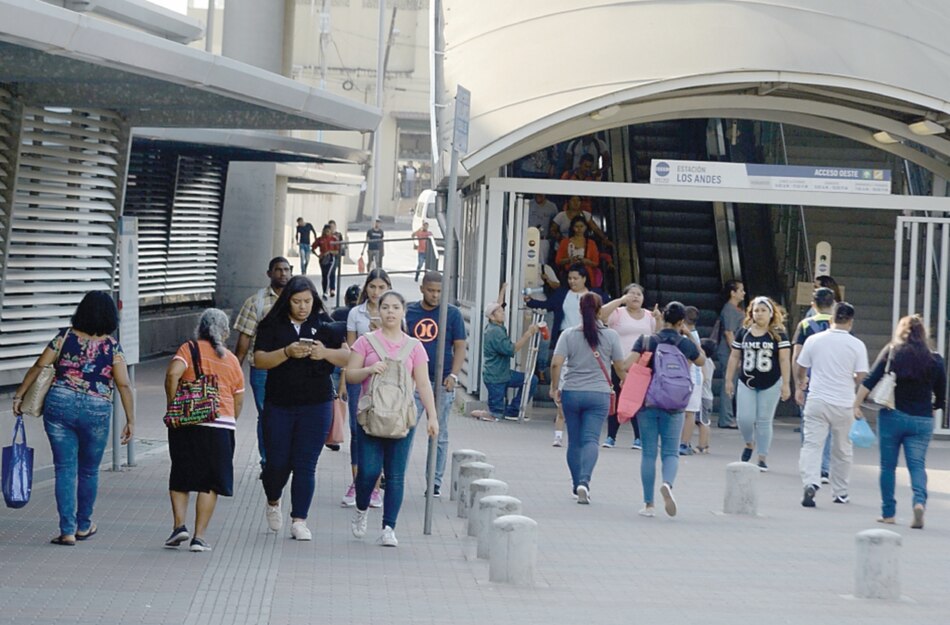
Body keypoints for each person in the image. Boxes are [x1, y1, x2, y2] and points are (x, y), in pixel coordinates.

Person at [12, 291, 134, 546]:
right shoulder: (112, 346)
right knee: (88, 471)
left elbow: (39, 366)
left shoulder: (64, 337)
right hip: (97, 408)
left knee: (64, 469)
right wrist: (130, 420)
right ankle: (84, 525)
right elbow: (123, 384)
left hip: (60, 403)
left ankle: (67, 530)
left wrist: (20, 395)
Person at [254, 276, 350, 540]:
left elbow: (347, 356)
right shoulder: (272, 325)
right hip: (279, 404)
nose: (303, 307)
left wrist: (325, 353)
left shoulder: (325, 324)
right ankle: (273, 499)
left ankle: (299, 520)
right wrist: (286, 352)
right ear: (287, 301)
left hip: (316, 404)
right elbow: (259, 360)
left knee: (306, 463)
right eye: (297, 301)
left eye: (307, 301)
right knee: (277, 463)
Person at [347, 290, 439, 547]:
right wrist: (368, 369)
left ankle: (389, 527)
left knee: (395, 475)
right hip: (371, 416)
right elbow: (350, 375)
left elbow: (423, 383)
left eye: (395, 307)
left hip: (401, 417)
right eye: (385, 307)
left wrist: (432, 417)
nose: (390, 312)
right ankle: (361, 508)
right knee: (368, 471)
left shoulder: (414, 346)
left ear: (403, 312)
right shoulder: (365, 342)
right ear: (378, 311)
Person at [163, 309, 244, 552]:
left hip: (188, 422)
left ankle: (179, 526)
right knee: (210, 483)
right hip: (222, 425)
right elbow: (238, 399)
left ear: (200, 328)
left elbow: (172, 374)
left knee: (181, 475)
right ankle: (199, 538)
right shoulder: (232, 360)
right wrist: (228, 418)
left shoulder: (189, 349)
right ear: (225, 332)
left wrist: (173, 405)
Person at [854, 315, 946, 529]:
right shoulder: (935, 359)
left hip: (892, 416)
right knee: (917, 466)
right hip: (922, 420)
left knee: (888, 466)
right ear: (924, 334)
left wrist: (856, 404)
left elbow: (870, 379)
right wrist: (933, 408)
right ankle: (919, 503)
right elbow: (941, 395)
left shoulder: (893, 352)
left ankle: (888, 513)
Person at [627, 302, 706, 518]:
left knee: (648, 453)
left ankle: (648, 504)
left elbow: (626, 364)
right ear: (681, 322)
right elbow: (701, 360)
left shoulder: (647, 341)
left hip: (648, 402)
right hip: (675, 403)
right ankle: (667, 483)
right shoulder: (684, 343)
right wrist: (688, 335)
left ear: (662, 316)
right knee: (671, 453)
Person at [549, 293, 625, 504]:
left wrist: (555, 388)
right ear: (600, 311)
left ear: (580, 311)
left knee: (574, 441)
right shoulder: (611, 336)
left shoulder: (568, 334)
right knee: (591, 440)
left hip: (572, 392)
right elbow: (620, 367)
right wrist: (626, 381)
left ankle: (576, 485)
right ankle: (585, 481)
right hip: (599, 394)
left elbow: (556, 363)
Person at [796, 302, 868, 508]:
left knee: (812, 445)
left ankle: (810, 483)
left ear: (831, 319)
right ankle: (840, 492)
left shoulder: (813, 340)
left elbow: (801, 367)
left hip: (817, 400)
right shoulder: (857, 345)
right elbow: (861, 375)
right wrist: (851, 381)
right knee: (843, 449)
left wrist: (801, 382)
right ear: (851, 321)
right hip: (844, 402)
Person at [406, 271, 467, 496]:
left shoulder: (452, 314)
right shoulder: (410, 311)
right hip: (414, 382)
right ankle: (395, 475)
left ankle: (435, 482)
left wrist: (454, 375)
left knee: (438, 434)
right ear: (422, 289)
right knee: (405, 429)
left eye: (439, 291)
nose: (435, 295)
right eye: (431, 290)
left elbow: (460, 346)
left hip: (442, 382)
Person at [526, 264, 598, 447]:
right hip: (565, 337)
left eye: (576, 278)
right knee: (564, 373)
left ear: (584, 279)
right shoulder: (562, 294)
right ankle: (562, 412)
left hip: (588, 338)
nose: (572, 281)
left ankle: (576, 411)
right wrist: (529, 302)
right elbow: (548, 305)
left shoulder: (594, 296)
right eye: (570, 278)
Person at [234, 257, 291, 472]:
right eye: (278, 270)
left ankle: (285, 458)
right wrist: (234, 370)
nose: (283, 274)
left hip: (291, 368)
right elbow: (244, 339)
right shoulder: (255, 302)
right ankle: (268, 462)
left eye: (286, 269)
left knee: (289, 413)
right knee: (267, 414)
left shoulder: (299, 299)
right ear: (269, 273)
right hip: (262, 369)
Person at [342, 269, 393, 507]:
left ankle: (374, 486)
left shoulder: (392, 312)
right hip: (359, 376)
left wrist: (380, 330)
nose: (376, 292)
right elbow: (350, 350)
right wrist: (344, 380)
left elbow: (399, 346)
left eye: (381, 287)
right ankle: (357, 482)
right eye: (372, 286)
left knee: (379, 428)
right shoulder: (356, 313)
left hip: (384, 380)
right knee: (356, 429)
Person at [724, 296, 791, 471]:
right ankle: (749, 442)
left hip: (771, 381)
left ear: (771, 313)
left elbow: (784, 359)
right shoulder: (744, 332)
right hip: (747, 380)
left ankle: (762, 457)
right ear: (751, 313)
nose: (759, 314)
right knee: (744, 418)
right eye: (756, 311)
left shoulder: (778, 334)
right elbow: (734, 356)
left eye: (763, 310)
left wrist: (786, 383)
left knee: (764, 420)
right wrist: (728, 379)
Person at [598, 283, 659, 449]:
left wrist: (659, 319)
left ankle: (639, 437)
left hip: (641, 366)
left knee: (638, 401)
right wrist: (620, 300)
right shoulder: (618, 313)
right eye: (631, 293)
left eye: (639, 294)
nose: (635, 297)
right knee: (615, 399)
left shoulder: (649, 316)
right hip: (617, 364)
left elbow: (658, 336)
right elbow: (601, 314)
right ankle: (611, 436)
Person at [793, 287, 836, 483]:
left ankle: (809, 465)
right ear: (833, 304)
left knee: (808, 426)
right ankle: (824, 468)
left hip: (810, 382)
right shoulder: (840, 325)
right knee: (828, 427)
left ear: (813, 305)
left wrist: (797, 383)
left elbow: (797, 356)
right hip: (833, 383)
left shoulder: (804, 325)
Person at [471, 301, 538, 422]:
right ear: (492, 316)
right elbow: (511, 349)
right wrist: (528, 334)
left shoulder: (495, 327)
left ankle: (512, 411)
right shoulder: (495, 332)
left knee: (531, 380)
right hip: (496, 377)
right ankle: (496, 412)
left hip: (501, 374)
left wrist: (502, 293)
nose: (503, 313)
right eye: (499, 312)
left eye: (503, 311)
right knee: (496, 414)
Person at [716, 279, 745, 428]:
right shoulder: (730, 310)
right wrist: (736, 353)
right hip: (728, 353)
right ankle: (726, 418)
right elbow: (729, 333)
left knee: (732, 383)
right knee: (729, 384)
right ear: (733, 293)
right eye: (740, 290)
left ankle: (728, 416)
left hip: (730, 352)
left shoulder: (733, 309)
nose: (743, 293)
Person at [679, 306, 705, 456]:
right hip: (695, 377)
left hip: (687, 377)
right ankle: (684, 443)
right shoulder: (694, 334)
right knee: (690, 413)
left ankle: (681, 442)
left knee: (685, 412)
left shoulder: (686, 336)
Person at [555, 215, 601, 280]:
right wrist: (569, 260)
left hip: (586, 275)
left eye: (581, 226)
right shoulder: (564, 242)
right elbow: (558, 261)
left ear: (585, 227)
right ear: (572, 227)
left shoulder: (591, 243)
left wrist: (587, 262)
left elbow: (596, 262)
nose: (579, 229)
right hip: (569, 274)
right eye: (576, 226)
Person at [313, 225, 338, 301]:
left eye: (328, 231)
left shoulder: (334, 239)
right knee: (324, 275)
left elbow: (337, 251)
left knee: (327, 274)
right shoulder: (320, 239)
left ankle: (326, 292)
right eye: (325, 231)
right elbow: (313, 248)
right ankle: (324, 290)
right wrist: (318, 255)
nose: (327, 232)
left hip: (330, 258)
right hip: (322, 259)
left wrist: (329, 252)